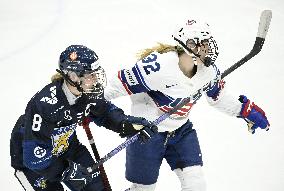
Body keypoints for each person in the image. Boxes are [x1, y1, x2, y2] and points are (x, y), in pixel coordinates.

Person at [104, 19, 270, 191]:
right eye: (202, 44)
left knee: (196, 185)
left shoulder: (208, 71)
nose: (207, 49)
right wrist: (90, 106)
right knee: (143, 189)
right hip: (147, 133)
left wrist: (244, 110)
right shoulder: (158, 67)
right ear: (188, 44)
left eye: (207, 43)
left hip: (181, 131)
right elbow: (117, 85)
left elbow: (218, 97)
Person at [10, 45, 157, 191]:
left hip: (68, 149)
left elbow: (104, 112)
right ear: (73, 76)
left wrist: (126, 124)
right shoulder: (45, 104)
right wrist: (66, 170)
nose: (95, 80)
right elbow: (34, 158)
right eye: (89, 75)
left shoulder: (87, 92)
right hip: (33, 163)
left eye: (95, 74)